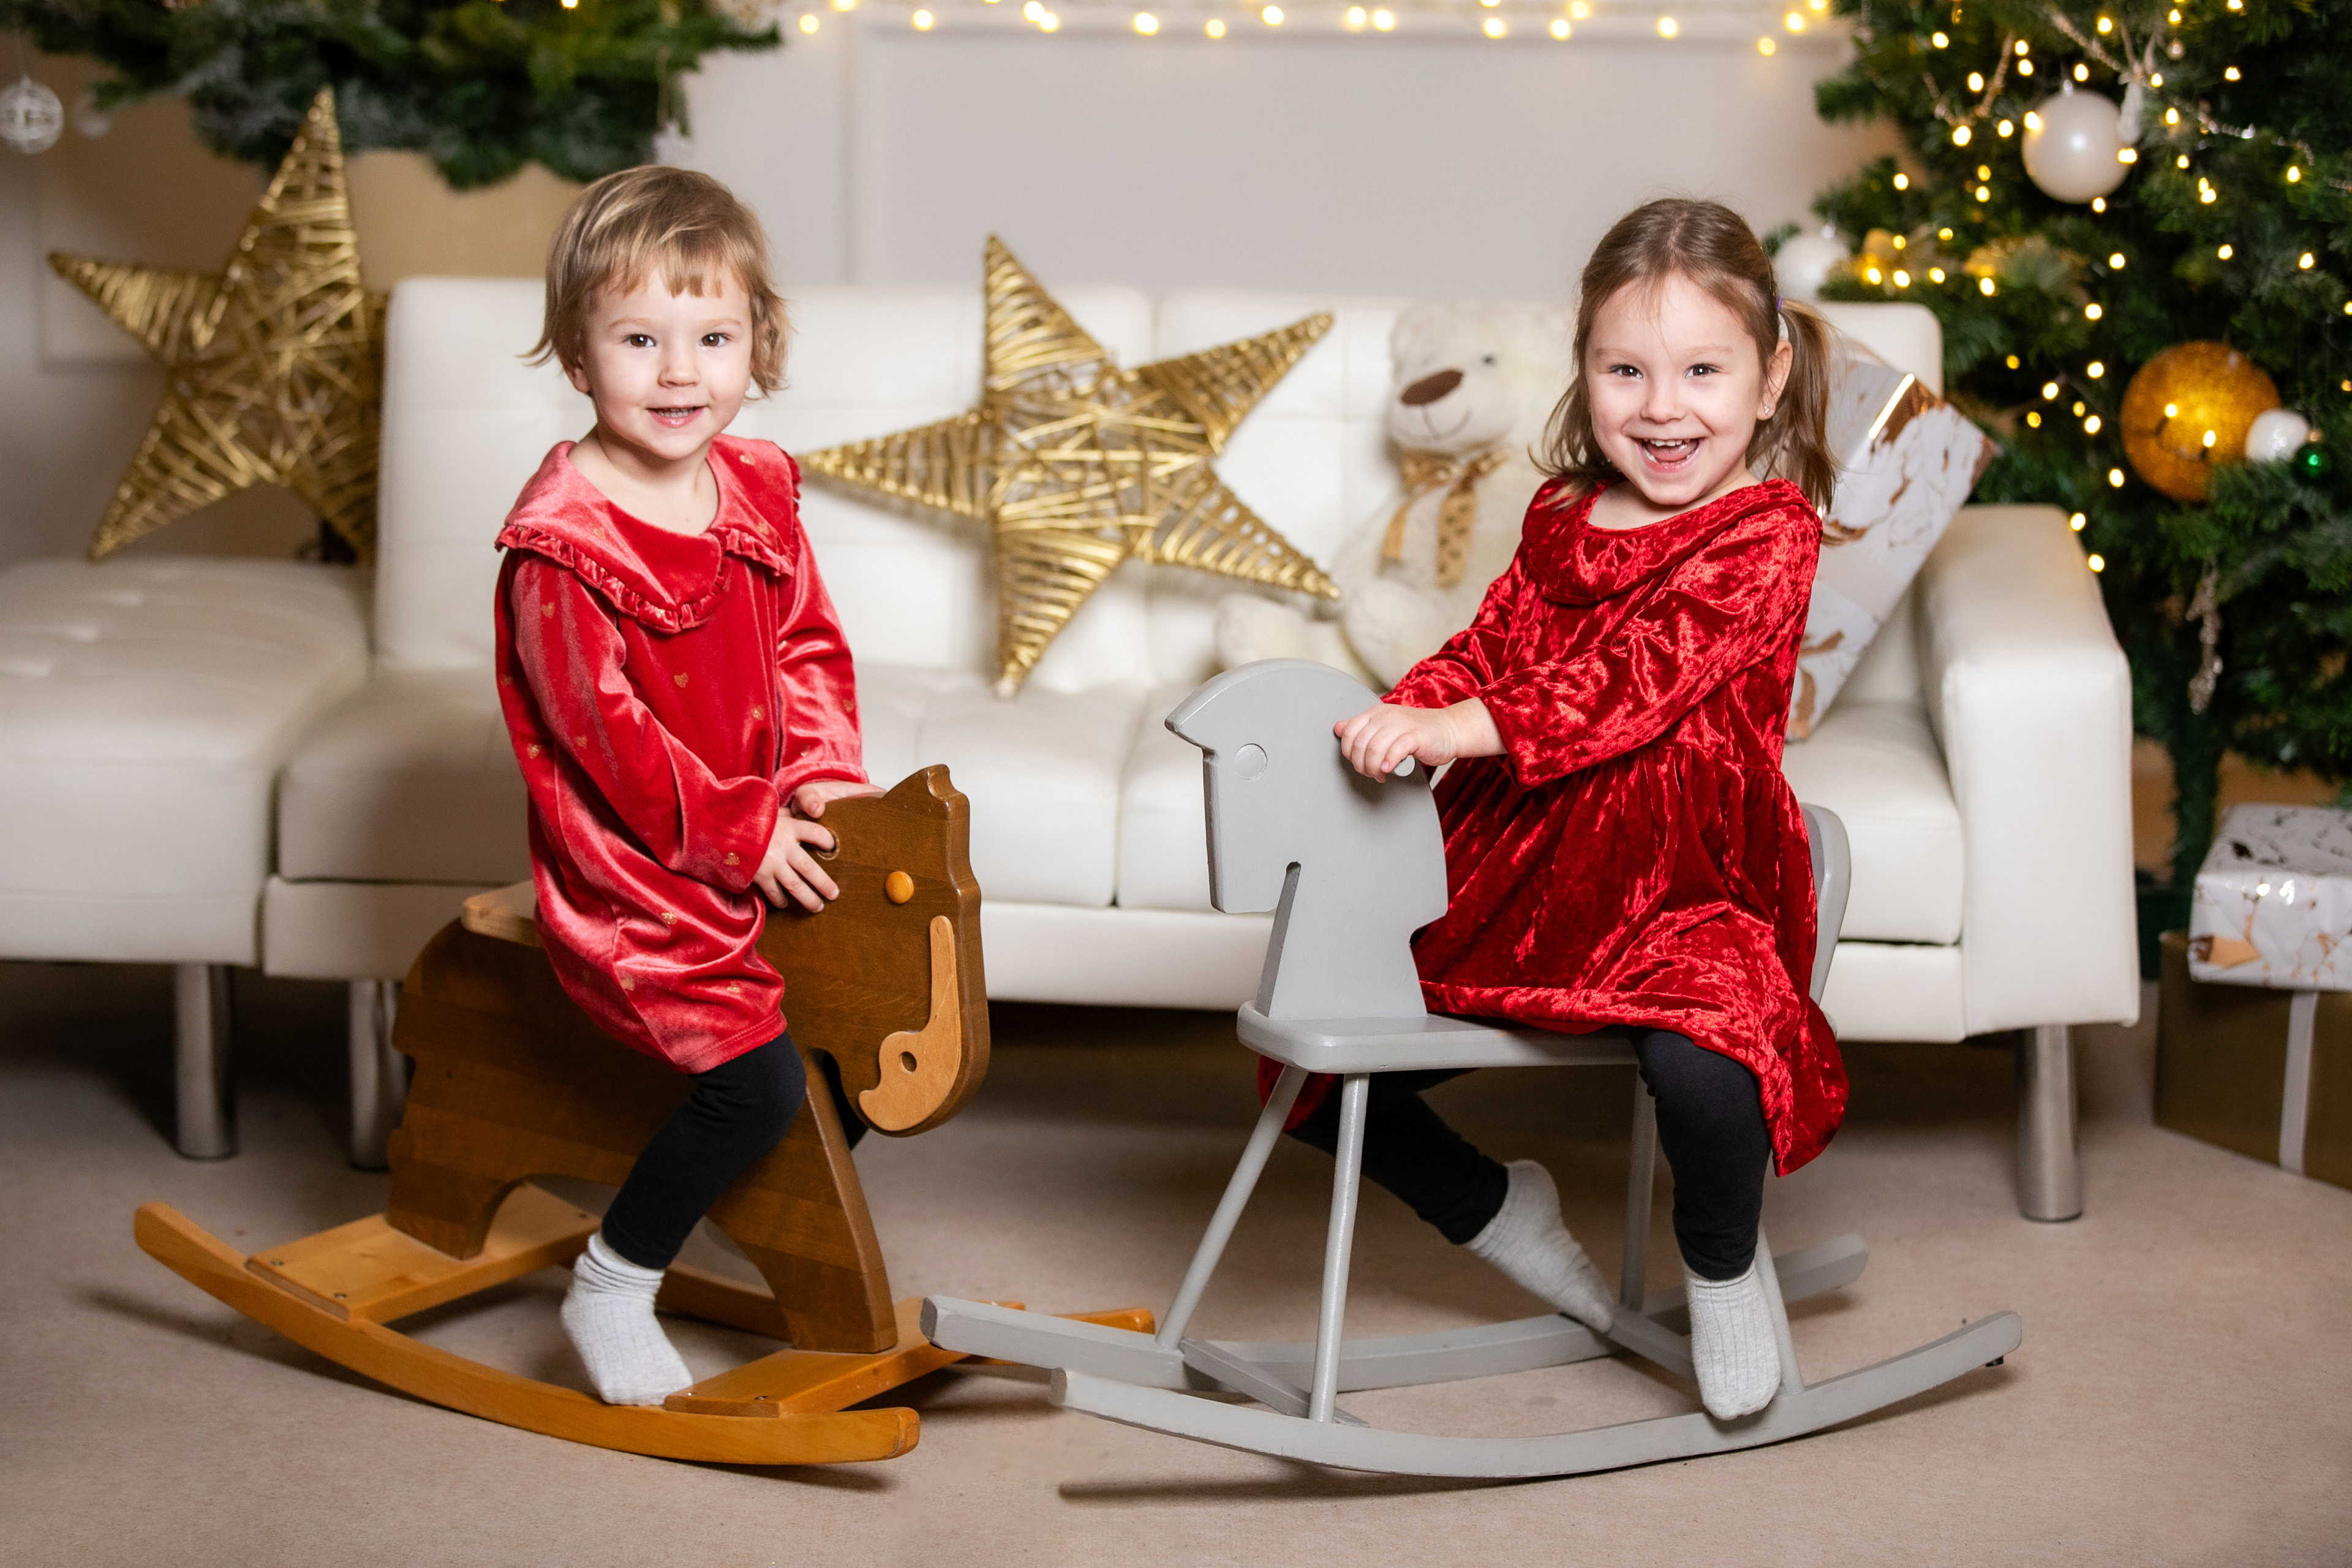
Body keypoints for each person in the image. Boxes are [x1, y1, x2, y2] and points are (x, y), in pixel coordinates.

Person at [1301, 197, 1847, 1421]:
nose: (1662, 407)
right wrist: (1412, 706)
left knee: (1708, 1063)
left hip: (1684, 880)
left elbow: (1635, 679)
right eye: (1626, 370)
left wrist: (1465, 727)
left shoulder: (1767, 534)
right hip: (1525, 863)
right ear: (1585, 370)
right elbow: (1490, 645)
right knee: (1314, 1070)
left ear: (1769, 378)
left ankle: (1721, 1267)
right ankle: (1499, 1209)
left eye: (1702, 370)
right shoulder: (1559, 514)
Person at [492, 166, 878, 1406]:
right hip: (638, 868)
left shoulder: (756, 484)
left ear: (757, 343)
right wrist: (734, 831)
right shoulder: (564, 545)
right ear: (577, 352)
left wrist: (822, 777)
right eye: (639, 339)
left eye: (712, 338)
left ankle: (744, 1206)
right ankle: (614, 1278)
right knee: (756, 1079)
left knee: (858, 1014)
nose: (678, 373)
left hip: (761, 826)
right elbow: (606, 742)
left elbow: (806, 645)